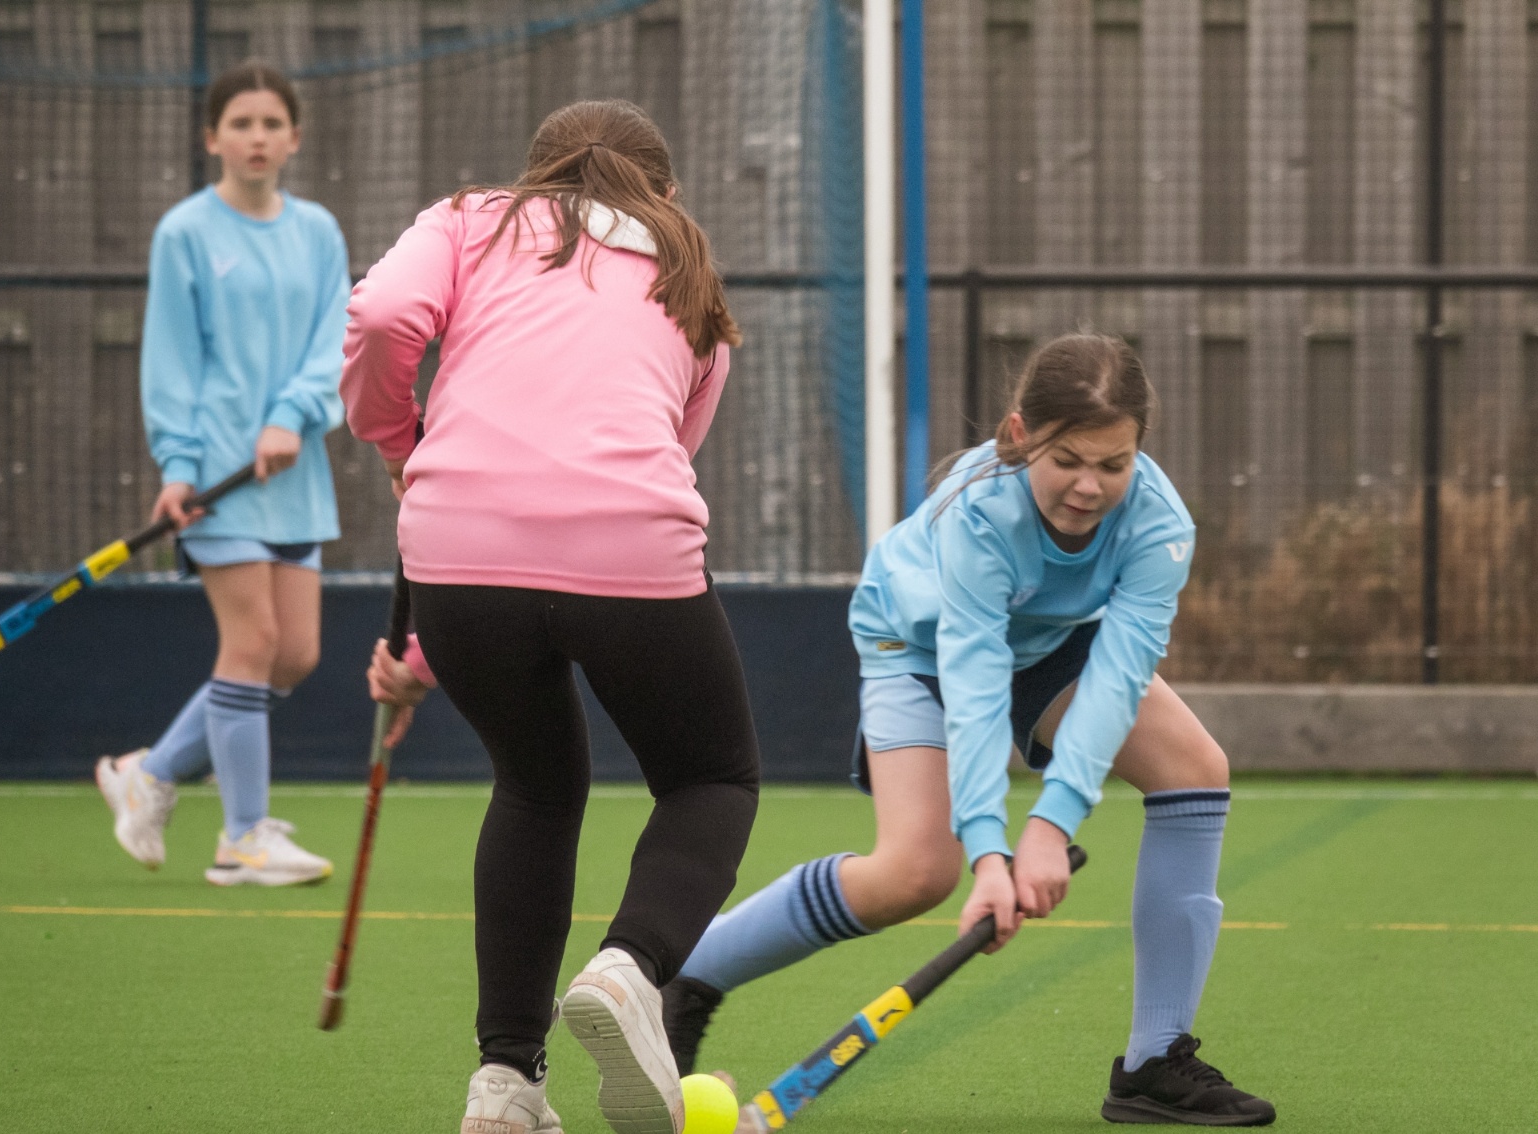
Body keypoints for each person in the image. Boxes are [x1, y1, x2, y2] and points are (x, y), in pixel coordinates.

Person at [663, 334, 1277, 1127]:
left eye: (1114, 464)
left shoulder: (1159, 527)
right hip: (919, 644)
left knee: (1195, 766)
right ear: (1021, 434)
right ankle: (689, 973)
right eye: (1067, 460)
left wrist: (1052, 826)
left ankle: (1154, 1061)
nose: (1089, 486)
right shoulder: (979, 511)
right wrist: (991, 855)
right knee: (916, 873)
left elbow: (1117, 679)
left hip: (1055, 641)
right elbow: (977, 683)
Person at [345, 99, 760, 1134]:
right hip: (628, 546)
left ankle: (506, 1084)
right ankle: (630, 966)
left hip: (454, 558)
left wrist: (397, 438)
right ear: (664, 193)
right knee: (710, 781)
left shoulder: (468, 219)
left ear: (534, 176)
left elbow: (385, 317)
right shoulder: (687, 268)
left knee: (534, 787)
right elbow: (644, 465)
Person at [96, 61, 348, 888]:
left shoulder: (319, 232)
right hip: (217, 475)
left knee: (295, 655)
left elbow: (336, 342)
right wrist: (178, 464)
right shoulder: (185, 233)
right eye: (241, 123)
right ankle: (243, 837)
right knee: (253, 643)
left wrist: (294, 415)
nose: (257, 138)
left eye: (272, 123)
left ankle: (151, 773)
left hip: (293, 471)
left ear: (294, 138)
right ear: (213, 138)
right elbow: (171, 361)